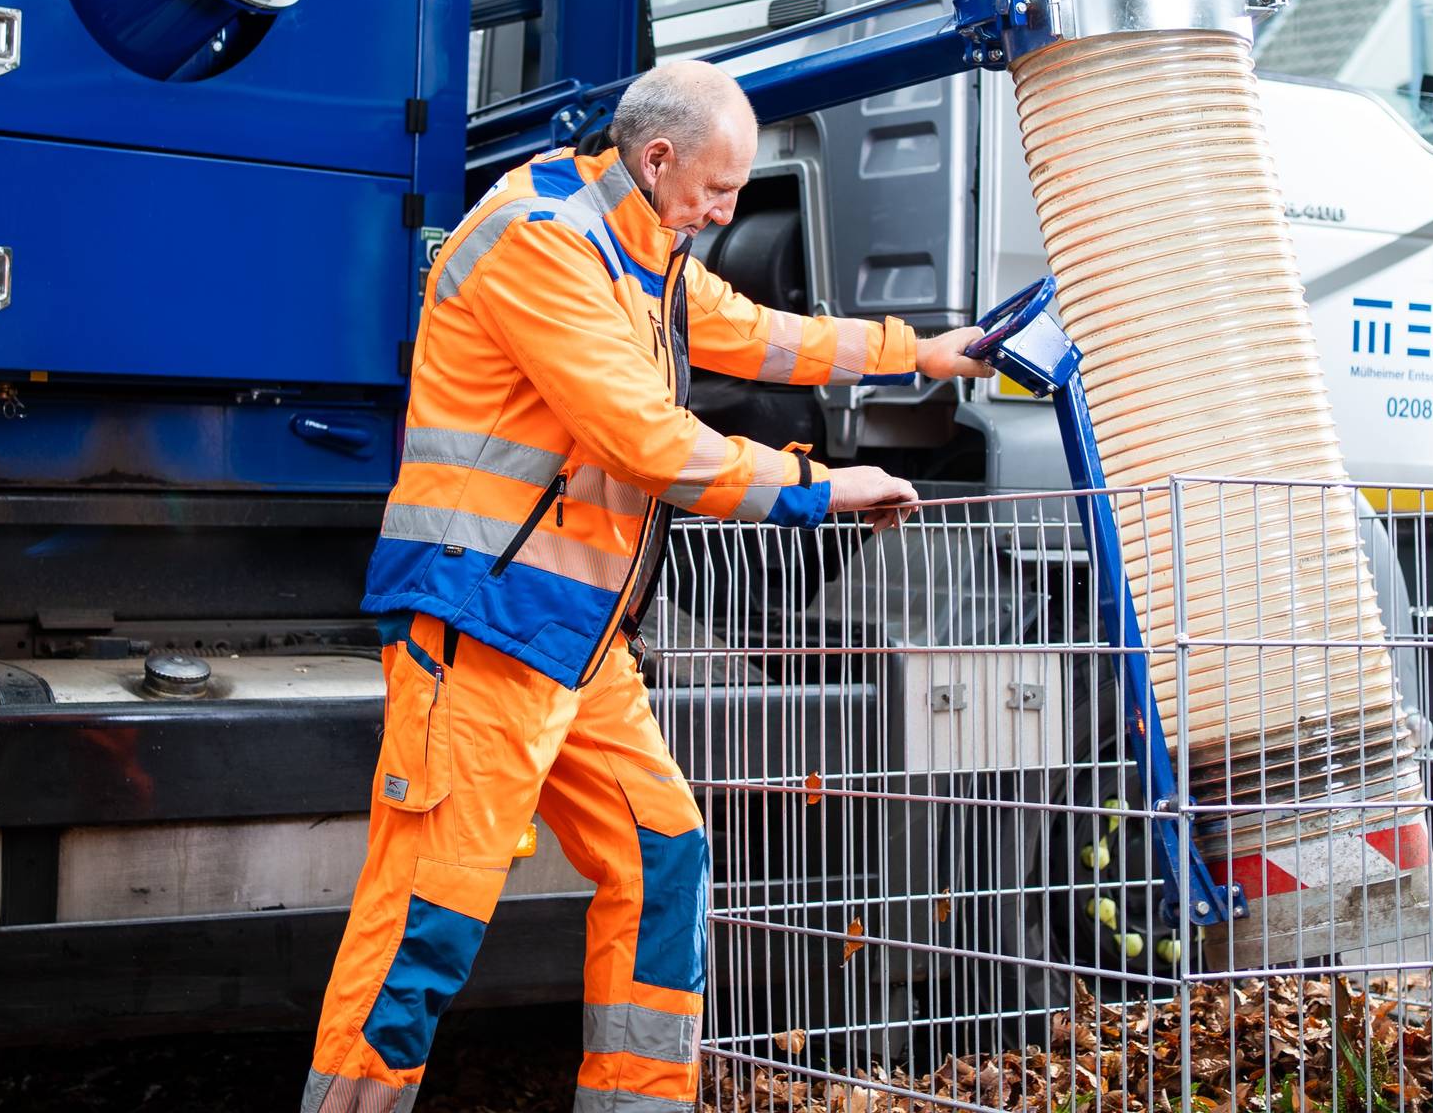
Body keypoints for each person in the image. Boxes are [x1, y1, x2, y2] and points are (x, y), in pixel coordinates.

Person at [300, 60, 993, 1113]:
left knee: (663, 853)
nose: (724, 211)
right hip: (483, 623)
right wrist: (822, 483)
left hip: (577, 635)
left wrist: (921, 355)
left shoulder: (647, 252)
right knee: (424, 917)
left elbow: (763, 333)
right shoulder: (544, 239)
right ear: (657, 157)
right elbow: (646, 440)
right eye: (717, 189)